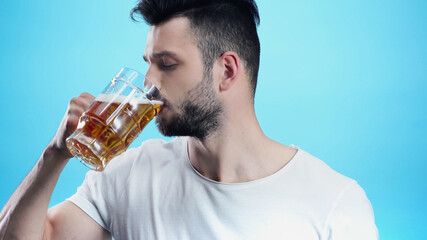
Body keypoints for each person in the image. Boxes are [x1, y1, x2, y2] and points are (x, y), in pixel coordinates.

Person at [0, 0, 379, 239]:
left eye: (167, 64)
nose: (148, 81)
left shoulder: (334, 202)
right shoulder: (128, 172)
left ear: (227, 71)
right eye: (148, 62)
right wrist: (54, 155)